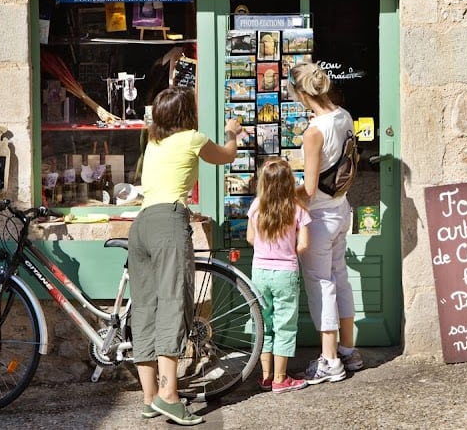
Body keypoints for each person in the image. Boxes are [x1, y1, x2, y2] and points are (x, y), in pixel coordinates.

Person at [128, 87, 242, 425]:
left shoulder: (153, 142)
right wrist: (232, 134)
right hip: (167, 223)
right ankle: (169, 395)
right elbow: (226, 156)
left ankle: (149, 397)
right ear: (185, 114)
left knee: (146, 308)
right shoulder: (193, 137)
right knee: (174, 304)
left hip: (141, 225)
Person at [287, 62, 363, 384]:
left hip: (319, 216)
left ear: (302, 94)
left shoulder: (314, 132)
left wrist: (277, 194)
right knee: (340, 279)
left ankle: (329, 361)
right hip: (340, 209)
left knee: (321, 285)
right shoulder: (343, 116)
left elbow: (308, 188)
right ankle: (348, 350)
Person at [246, 157, 311, 393]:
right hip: (286, 273)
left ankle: (266, 376)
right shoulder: (296, 208)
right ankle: (281, 378)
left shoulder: (256, 206)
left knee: (264, 323)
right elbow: (304, 244)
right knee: (285, 325)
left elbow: (250, 238)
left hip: (260, 272)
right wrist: (288, 252)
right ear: (289, 182)